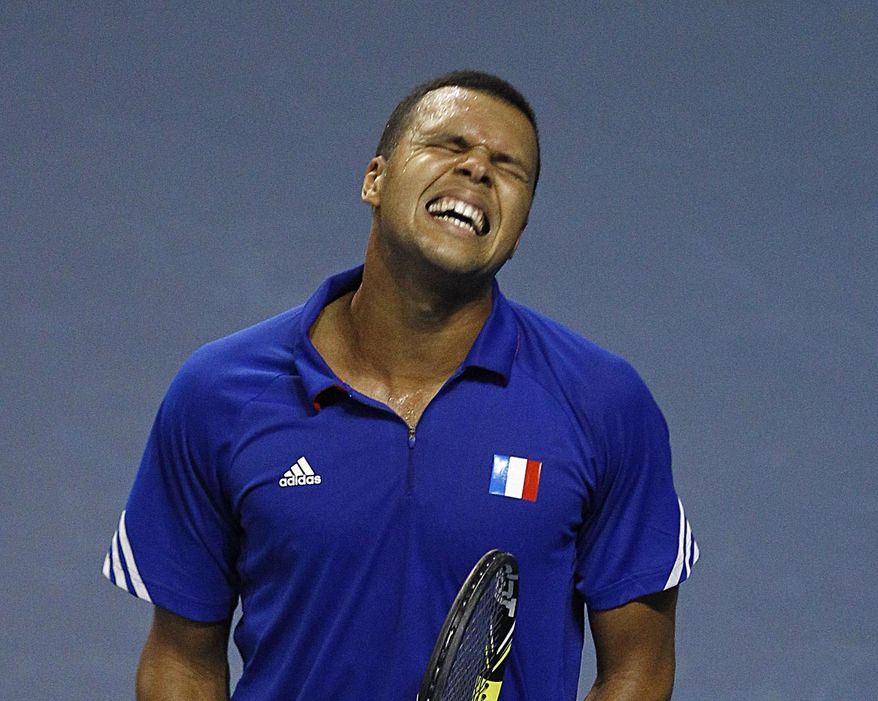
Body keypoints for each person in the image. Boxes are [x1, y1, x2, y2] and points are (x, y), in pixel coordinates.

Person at [103, 70, 698, 700]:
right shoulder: (219, 396)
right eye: (447, 146)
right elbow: (182, 663)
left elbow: (638, 668)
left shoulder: (603, 404)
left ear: (520, 227)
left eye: (508, 167)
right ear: (375, 180)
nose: (476, 171)